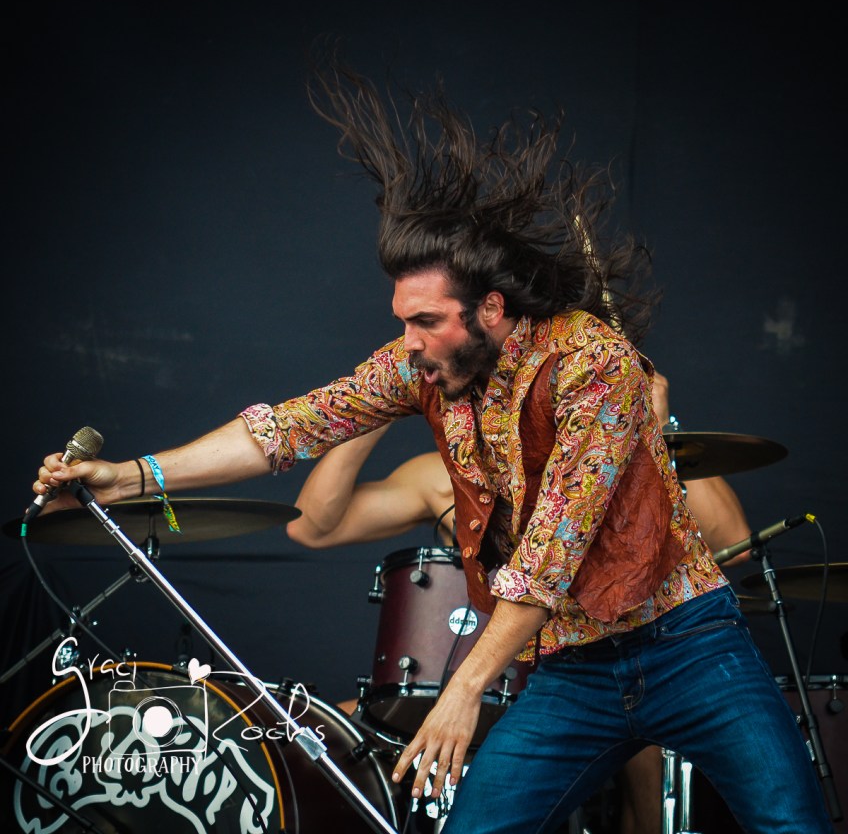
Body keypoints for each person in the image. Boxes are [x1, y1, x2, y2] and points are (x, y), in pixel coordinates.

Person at [32, 57, 831, 833]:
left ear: (491, 309)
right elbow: (286, 429)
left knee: (791, 820)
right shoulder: (423, 364)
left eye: (424, 321)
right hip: (573, 668)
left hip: (688, 644)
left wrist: (464, 689)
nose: (407, 340)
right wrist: (126, 477)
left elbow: (550, 554)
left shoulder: (594, 365)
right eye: (402, 321)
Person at [285, 370, 754, 834]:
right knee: (314, 736)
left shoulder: (615, 466)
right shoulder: (451, 474)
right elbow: (312, 526)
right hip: (476, 681)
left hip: (586, 676)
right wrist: (378, 403)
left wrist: (656, 427)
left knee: (645, 743)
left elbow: (733, 541)